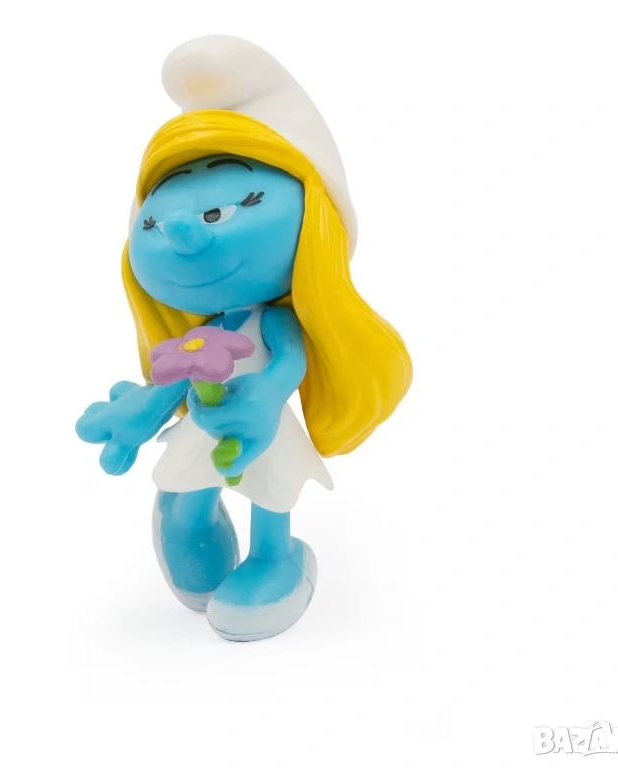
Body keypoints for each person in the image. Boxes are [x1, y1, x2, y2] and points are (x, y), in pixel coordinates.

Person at [76, 36, 412, 641]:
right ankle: (190, 524)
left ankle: (275, 558)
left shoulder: (276, 322)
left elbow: (287, 364)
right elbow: (173, 378)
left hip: (263, 425)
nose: (181, 228)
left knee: (270, 488)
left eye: (224, 209)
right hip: (209, 423)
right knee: (190, 473)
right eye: (153, 220)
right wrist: (142, 411)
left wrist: (265, 395)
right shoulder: (201, 334)